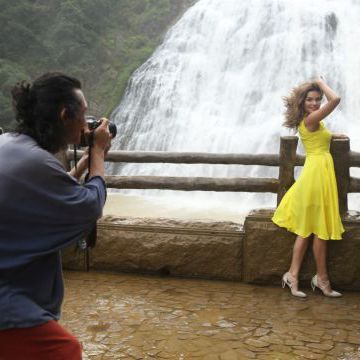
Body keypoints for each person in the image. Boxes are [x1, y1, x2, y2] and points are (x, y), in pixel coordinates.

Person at [0, 72, 111, 359]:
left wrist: (82, 165)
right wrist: (98, 154)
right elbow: (89, 207)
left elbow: (43, 193)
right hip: (6, 298)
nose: (86, 126)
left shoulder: (12, 146)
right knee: (64, 351)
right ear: (65, 115)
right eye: (84, 115)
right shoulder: (36, 161)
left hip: (11, 284)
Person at [272, 77, 345, 298]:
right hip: (316, 177)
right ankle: (317, 279)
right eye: (310, 100)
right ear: (303, 103)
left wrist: (333, 135)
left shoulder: (310, 121)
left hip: (319, 174)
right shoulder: (311, 119)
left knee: (311, 231)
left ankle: (300, 276)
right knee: (315, 230)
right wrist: (320, 83)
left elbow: (317, 137)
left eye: (317, 100)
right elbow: (336, 99)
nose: (314, 103)